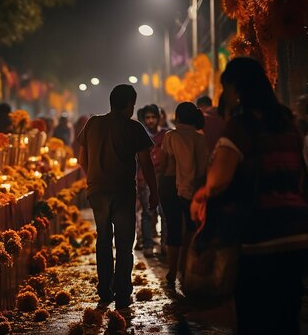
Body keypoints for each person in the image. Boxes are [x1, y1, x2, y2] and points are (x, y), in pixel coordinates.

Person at [191, 57, 308, 334]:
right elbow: (301, 176)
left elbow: (219, 182)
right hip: (297, 231)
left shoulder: (241, 125)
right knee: (287, 317)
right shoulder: (286, 120)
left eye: (227, 88)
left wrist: (202, 194)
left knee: (255, 317)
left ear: (235, 89)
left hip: (260, 233)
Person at [77, 84, 159, 309]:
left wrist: (94, 177)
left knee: (103, 239)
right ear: (130, 104)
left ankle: (105, 291)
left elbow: (82, 158)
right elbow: (146, 164)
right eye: (133, 103)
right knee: (124, 244)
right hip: (122, 192)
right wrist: (154, 191)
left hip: (97, 192)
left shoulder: (92, 124)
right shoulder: (134, 128)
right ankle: (122, 293)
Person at [159, 102, 209, 286]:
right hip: (194, 187)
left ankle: (172, 271)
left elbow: (164, 163)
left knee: (173, 226)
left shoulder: (170, 136)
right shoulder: (200, 138)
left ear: (178, 118)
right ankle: (184, 267)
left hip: (169, 185)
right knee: (190, 226)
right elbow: (203, 167)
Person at [135, 104, 168, 258]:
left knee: (163, 212)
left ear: (158, 118)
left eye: (153, 117)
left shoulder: (166, 135)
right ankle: (148, 245)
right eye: (147, 118)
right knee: (148, 213)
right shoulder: (141, 135)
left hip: (162, 178)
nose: (150, 121)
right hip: (145, 179)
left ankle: (165, 245)